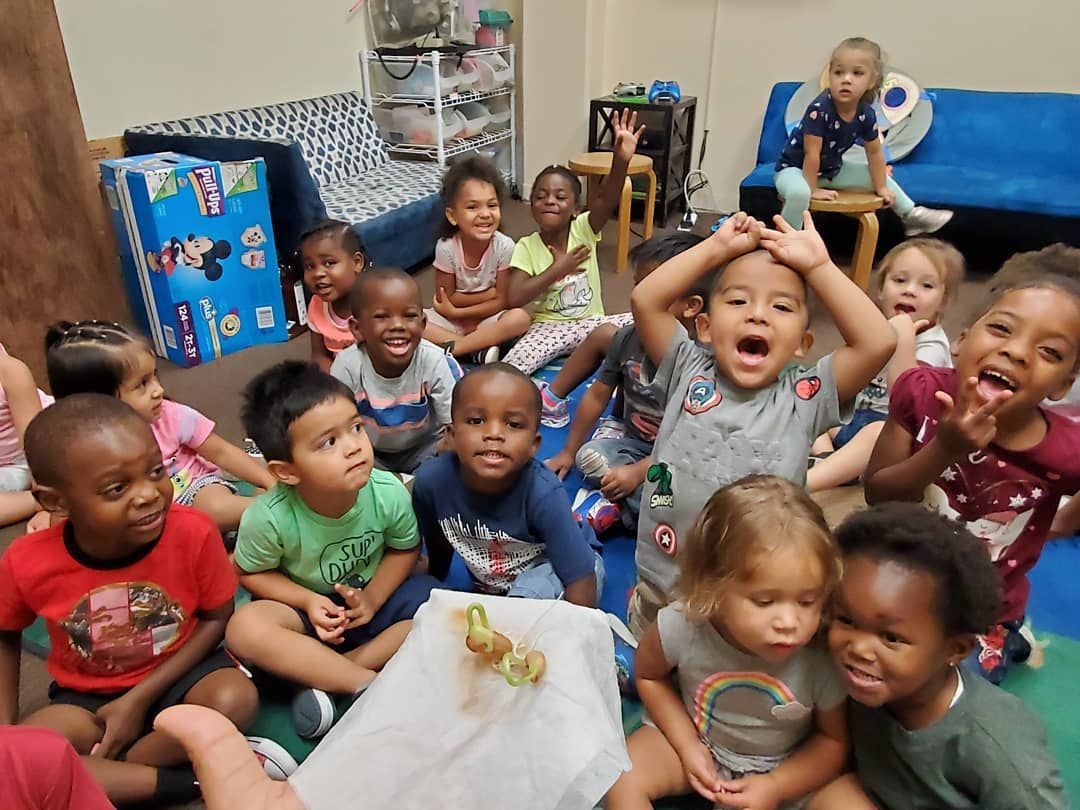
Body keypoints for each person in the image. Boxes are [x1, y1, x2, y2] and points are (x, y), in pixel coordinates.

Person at [627, 212, 895, 635]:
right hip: (664, 571)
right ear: (705, 327)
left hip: (753, 590)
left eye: (782, 307)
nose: (758, 315)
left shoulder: (804, 395)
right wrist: (715, 249)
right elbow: (646, 299)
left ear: (804, 344)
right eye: (737, 301)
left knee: (732, 665)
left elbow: (878, 341)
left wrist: (820, 268)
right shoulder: (687, 367)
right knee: (654, 649)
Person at [0, 394, 257, 806]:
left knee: (235, 698)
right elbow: (5, 631)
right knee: (35, 754)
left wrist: (135, 703)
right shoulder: (27, 561)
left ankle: (124, 767)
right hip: (84, 696)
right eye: (117, 488)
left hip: (182, 673)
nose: (148, 494)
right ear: (55, 501)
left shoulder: (193, 532)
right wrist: (6, 732)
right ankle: (193, 780)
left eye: (155, 471)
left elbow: (217, 616)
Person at [865, 246, 1080, 684]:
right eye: (1001, 329)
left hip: (978, 611)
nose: (1016, 352)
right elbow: (879, 494)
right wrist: (944, 449)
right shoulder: (920, 393)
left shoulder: (1066, 451)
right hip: (897, 580)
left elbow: (1067, 509)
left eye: (1050, 352)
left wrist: (1063, 521)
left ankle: (1010, 634)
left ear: (1063, 385)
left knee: (940, 692)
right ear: (962, 339)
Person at [605, 476, 847, 809]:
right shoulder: (684, 625)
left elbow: (833, 742)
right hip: (700, 743)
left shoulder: (822, 652)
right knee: (621, 777)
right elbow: (649, 675)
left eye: (807, 601)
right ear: (712, 588)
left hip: (785, 767)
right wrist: (688, 745)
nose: (790, 623)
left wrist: (776, 786)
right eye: (764, 602)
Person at [226, 362, 438, 740]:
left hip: (370, 603)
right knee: (246, 628)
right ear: (287, 472)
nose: (354, 447)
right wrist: (307, 601)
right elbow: (250, 573)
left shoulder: (386, 490)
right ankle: (363, 682)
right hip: (309, 616)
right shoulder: (268, 518)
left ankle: (323, 677)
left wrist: (373, 597)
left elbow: (405, 549)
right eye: (328, 442)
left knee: (436, 603)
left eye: (356, 427)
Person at [812, 503, 1066, 809]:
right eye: (847, 620)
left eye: (891, 638)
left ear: (955, 649)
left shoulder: (993, 743)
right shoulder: (855, 672)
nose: (858, 648)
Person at [44, 320, 276, 533]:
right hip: (142, 512)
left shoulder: (169, 415)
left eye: (155, 376)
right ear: (97, 399)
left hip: (193, 489)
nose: (158, 390)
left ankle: (270, 512)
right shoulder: (81, 447)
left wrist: (268, 482)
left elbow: (221, 452)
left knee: (214, 509)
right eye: (142, 384)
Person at [545, 233, 708, 533]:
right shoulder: (626, 338)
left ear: (692, 305)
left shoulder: (702, 363)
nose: (638, 300)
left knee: (695, 491)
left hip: (682, 457)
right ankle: (638, 509)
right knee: (589, 457)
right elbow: (596, 397)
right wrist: (568, 451)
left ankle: (627, 510)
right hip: (634, 446)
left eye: (653, 292)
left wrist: (636, 474)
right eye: (637, 287)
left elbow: (695, 442)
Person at [412, 364, 602, 606]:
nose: (493, 434)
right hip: (498, 585)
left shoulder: (543, 493)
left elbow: (580, 578)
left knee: (523, 605)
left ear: (534, 445)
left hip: (566, 570)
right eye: (476, 420)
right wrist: (436, 578)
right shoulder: (431, 483)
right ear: (451, 435)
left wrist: (578, 634)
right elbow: (437, 539)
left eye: (513, 424)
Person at [808, 238, 965, 491]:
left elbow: (908, 399)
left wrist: (904, 339)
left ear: (944, 302)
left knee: (874, 432)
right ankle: (827, 460)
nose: (909, 290)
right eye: (899, 280)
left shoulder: (932, 346)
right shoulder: (880, 326)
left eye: (926, 285)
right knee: (813, 398)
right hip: (855, 420)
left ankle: (809, 482)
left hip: (896, 435)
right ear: (881, 290)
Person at [500, 108, 645, 374]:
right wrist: (557, 270)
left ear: (575, 207)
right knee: (511, 369)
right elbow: (514, 297)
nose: (550, 201)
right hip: (548, 327)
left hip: (592, 325)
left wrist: (621, 160)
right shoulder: (526, 245)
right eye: (541, 196)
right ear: (531, 205)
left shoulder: (584, 229)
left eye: (560, 197)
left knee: (646, 320)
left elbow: (607, 198)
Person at [775, 36, 952, 235]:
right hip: (795, 170)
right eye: (838, 72)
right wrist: (813, 189)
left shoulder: (865, 114)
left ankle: (911, 214)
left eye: (857, 73)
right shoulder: (819, 109)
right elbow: (811, 154)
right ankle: (786, 238)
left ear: (872, 81)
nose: (846, 79)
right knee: (800, 193)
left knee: (879, 176)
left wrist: (881, 187)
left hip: (829, 170)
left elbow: (875, 153)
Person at [330, 268, 460, 474]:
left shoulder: (433, 360)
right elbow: (336, 426)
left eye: (409, 316)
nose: (398, 325)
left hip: (425, 448)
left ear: (423, 323)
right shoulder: (347, 367)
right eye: (382, 317)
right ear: (358, 329)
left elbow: (455, 424)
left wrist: (447, 454)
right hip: (372, 452)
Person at [421, 156, 532, 363]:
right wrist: (488, 294)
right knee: (413, 319)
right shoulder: (446, 248)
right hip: (450, 320)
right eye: (473, 207)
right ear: (453, 216)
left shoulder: (504, 246)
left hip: (486, 321)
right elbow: (447, 297)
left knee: (520, 318)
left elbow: (502, 301)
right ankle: (476, 350)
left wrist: (460, 307)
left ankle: (457, 348)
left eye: (492, 205)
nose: (485, 214)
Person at [301, 220, 368, 372]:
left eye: (329, 263)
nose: (318, 273)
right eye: (309, 266)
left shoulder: (378, 299)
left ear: (357, 262)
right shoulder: (316, 306)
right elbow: (319, 355)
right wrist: (337, 382)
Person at [0, 341, 52, 527]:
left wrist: (49, 507)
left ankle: (47, 499)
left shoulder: (10, 371)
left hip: (35, 452)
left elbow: (36, 445)